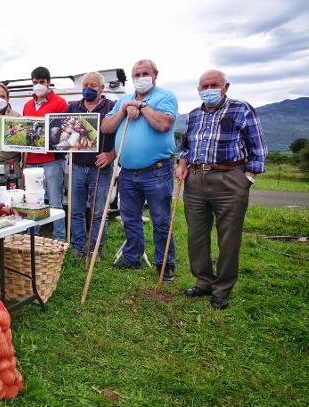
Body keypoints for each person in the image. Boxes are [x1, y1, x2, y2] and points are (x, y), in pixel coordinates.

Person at [176, 69, 267, 310]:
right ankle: (204, 281)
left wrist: (247, 177)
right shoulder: (194, 115)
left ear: (225, 87)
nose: (208, 90)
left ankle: (222, 289)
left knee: (228, 237)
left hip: (229, 177)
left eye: (213, 85)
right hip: (195, 179)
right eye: (203, 86)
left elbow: (258, 147)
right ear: (198, 90)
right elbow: (185, 146)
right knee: (196, 235)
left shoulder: (241, 109)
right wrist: (182, 162)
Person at [102, 59, 178, 281]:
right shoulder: (124, 100)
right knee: (129, 217)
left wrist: (142, 107)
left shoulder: (165, 97)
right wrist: (125, 110)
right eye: (136, 74)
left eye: (145, 73)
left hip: (156, 171)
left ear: (155, 75)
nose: (140, 77)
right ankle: (132, 256)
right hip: (127, 171)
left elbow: (164, 124)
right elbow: (106, 127)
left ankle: (165, 264)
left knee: (161, 219)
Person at [65, 72, 116, 257]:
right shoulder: (72, 107)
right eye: (85, 85)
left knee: (98, 212)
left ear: (102, 88)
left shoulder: (111, 106)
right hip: (77, 166)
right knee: (76, 210)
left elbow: (122, 136)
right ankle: (78, 248)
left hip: (100, 169)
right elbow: (62, 134)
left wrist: (111, 155)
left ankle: (95, 250)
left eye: (93, 85)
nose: (88, 88)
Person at [22, 66, 68, 240]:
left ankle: (59, 239)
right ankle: (32, 237)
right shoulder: (27, 105)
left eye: (42, 82)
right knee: (33, 200)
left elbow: (65, 130)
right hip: (32, 160)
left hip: (52, 160)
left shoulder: (60, 103)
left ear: (48, 82)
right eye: (35, 82)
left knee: (55, 201)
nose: (38, 85)